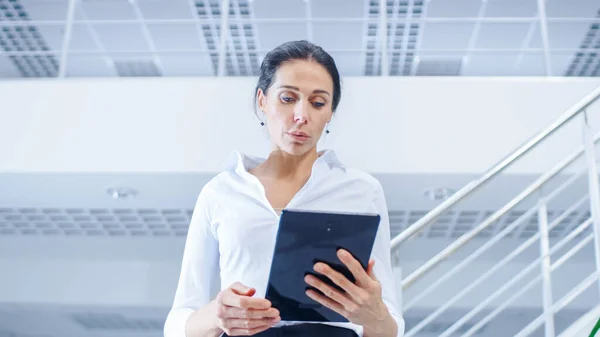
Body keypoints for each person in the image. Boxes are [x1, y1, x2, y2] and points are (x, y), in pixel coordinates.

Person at [163, 40, 404, 337]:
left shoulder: (363, 191)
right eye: (288, 98)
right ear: (262, 101)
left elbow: (391, 324)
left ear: (330, 113)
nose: (302, 115)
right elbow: (176, 323)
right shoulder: (221, 192)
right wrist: (216, 316)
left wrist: (375, 316)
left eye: (318, 103)